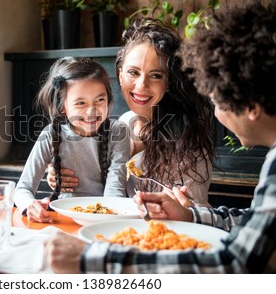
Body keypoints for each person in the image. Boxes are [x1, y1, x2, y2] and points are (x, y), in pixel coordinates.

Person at [44, 0, 276, 273]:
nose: (216, 113)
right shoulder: (118, 127)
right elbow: (250, 223)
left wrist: (92, 259)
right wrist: (65, 170)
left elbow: (236, 263)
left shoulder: (188, 134)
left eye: (218, 101)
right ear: (119, 75)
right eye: (133, 72)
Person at [47, 18, 216, 207]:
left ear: (169, 82)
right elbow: (104, 184)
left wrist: (183, 207)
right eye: (133, 72)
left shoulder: (188, 141)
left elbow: (195, 213)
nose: (142, 85)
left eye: (156, 75)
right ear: (120, 75)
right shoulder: (123, 123)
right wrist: (65, 174)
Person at [13, 57, 131, 223]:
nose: (92, 111)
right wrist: (29, 205)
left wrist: (107, 217)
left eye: (100, 100)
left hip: (107, 216)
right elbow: (22, 188)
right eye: (81, 103)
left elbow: (115, 185)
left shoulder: (119, 131)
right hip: (64, 217)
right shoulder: (50, 135)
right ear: (62, 106)